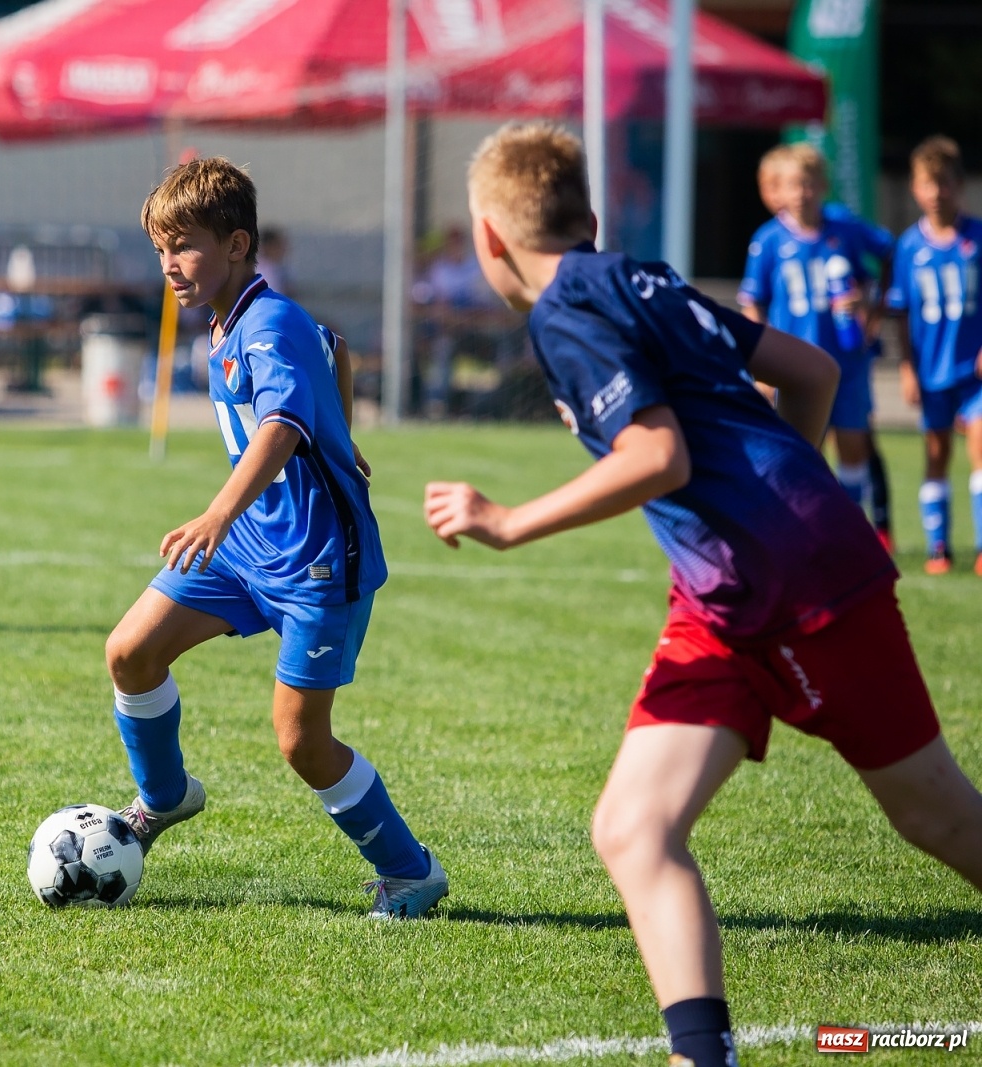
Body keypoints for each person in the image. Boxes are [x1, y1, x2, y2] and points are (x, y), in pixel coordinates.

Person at [426, 121, 982, 1067]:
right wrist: (781, 494)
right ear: (589, 219)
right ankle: (702, 1055)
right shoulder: (641, 277)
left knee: (935, 816)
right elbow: (812, 371)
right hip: (731, 593)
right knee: (633, 827)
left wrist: (508, 518)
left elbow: (657, 454)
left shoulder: (563, 311)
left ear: (488, 238)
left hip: (790, 584)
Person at [105, 157, 447, 919]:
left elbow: (282, 425)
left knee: (301, 741)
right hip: (249, 549)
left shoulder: (268, 321)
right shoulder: (238, 318)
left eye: (184, 246)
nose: (170, 265)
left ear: (237, 243)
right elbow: (337, 347)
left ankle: (411, 871)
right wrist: (346, 433)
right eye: (161, 249)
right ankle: (164, 798)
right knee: (130, 651)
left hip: (318, 561)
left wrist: (219, 511)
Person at [755, 147, 898, 551]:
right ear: (780, 191)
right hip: (793, 367)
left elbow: (889, 256)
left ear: (823, 186)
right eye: (793, 185)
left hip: (846, 361)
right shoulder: (768, 240)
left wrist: (871, 310)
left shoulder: (844, 229)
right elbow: (754, 301)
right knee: (799, 448)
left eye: (809, 184)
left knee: (854, 443)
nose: (801, 193)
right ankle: (798, 532)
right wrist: (759, 362)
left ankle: (849, 530)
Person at [885, 136, 982, 576]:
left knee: (980, 446)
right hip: (930, 371)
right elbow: (900, 313)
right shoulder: (908, 247)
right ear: (915, 189)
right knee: (936, 452)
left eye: (945, 183)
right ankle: (938, 547)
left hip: (974, 372)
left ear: (959, 186)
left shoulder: (976, 239)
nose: (937, 192)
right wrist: (906, 368)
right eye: (929, 183)